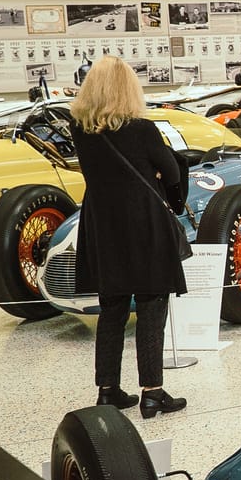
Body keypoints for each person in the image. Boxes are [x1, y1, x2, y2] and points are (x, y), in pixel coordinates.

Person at [70, 56, 187, 418]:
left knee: (112, 310)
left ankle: (108, 390)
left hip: (103, 227)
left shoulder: (80, 130)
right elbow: (170, 171)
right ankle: (152, 392)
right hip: (144, 226)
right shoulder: (142, 129)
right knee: (152, 308)